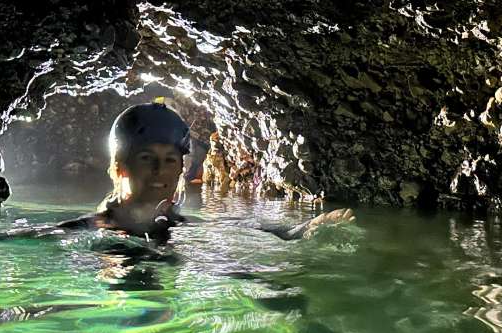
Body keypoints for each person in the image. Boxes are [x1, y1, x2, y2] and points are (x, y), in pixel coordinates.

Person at [47, 100, 352, 241]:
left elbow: (247, 227)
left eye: (170, 160)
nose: (159, 171)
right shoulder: (91, 229)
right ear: (120, 168)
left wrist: (300, 231)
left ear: (181, 168)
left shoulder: (178, 224)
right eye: (145, 158)